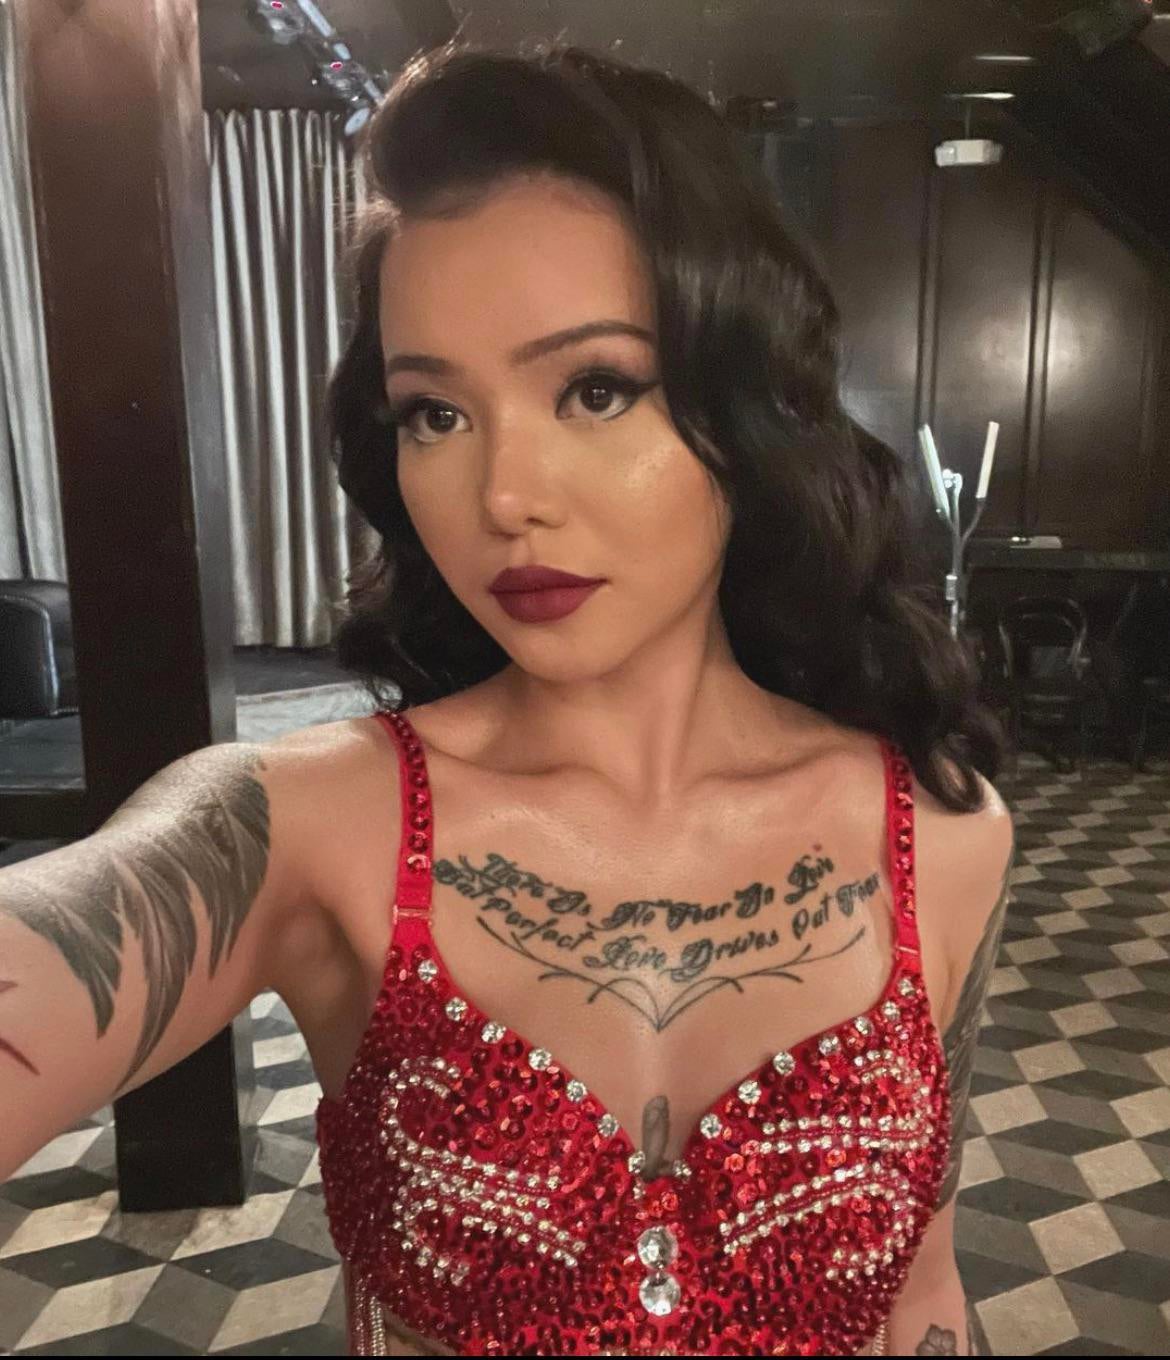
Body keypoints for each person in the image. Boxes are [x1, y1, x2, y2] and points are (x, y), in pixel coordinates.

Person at [0, 37, 1016, 1358]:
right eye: (434, 413)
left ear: (750, 402)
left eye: (594, 389)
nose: (502, 496)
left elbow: (924, 1287)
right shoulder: (304, 827)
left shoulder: (939, 829)